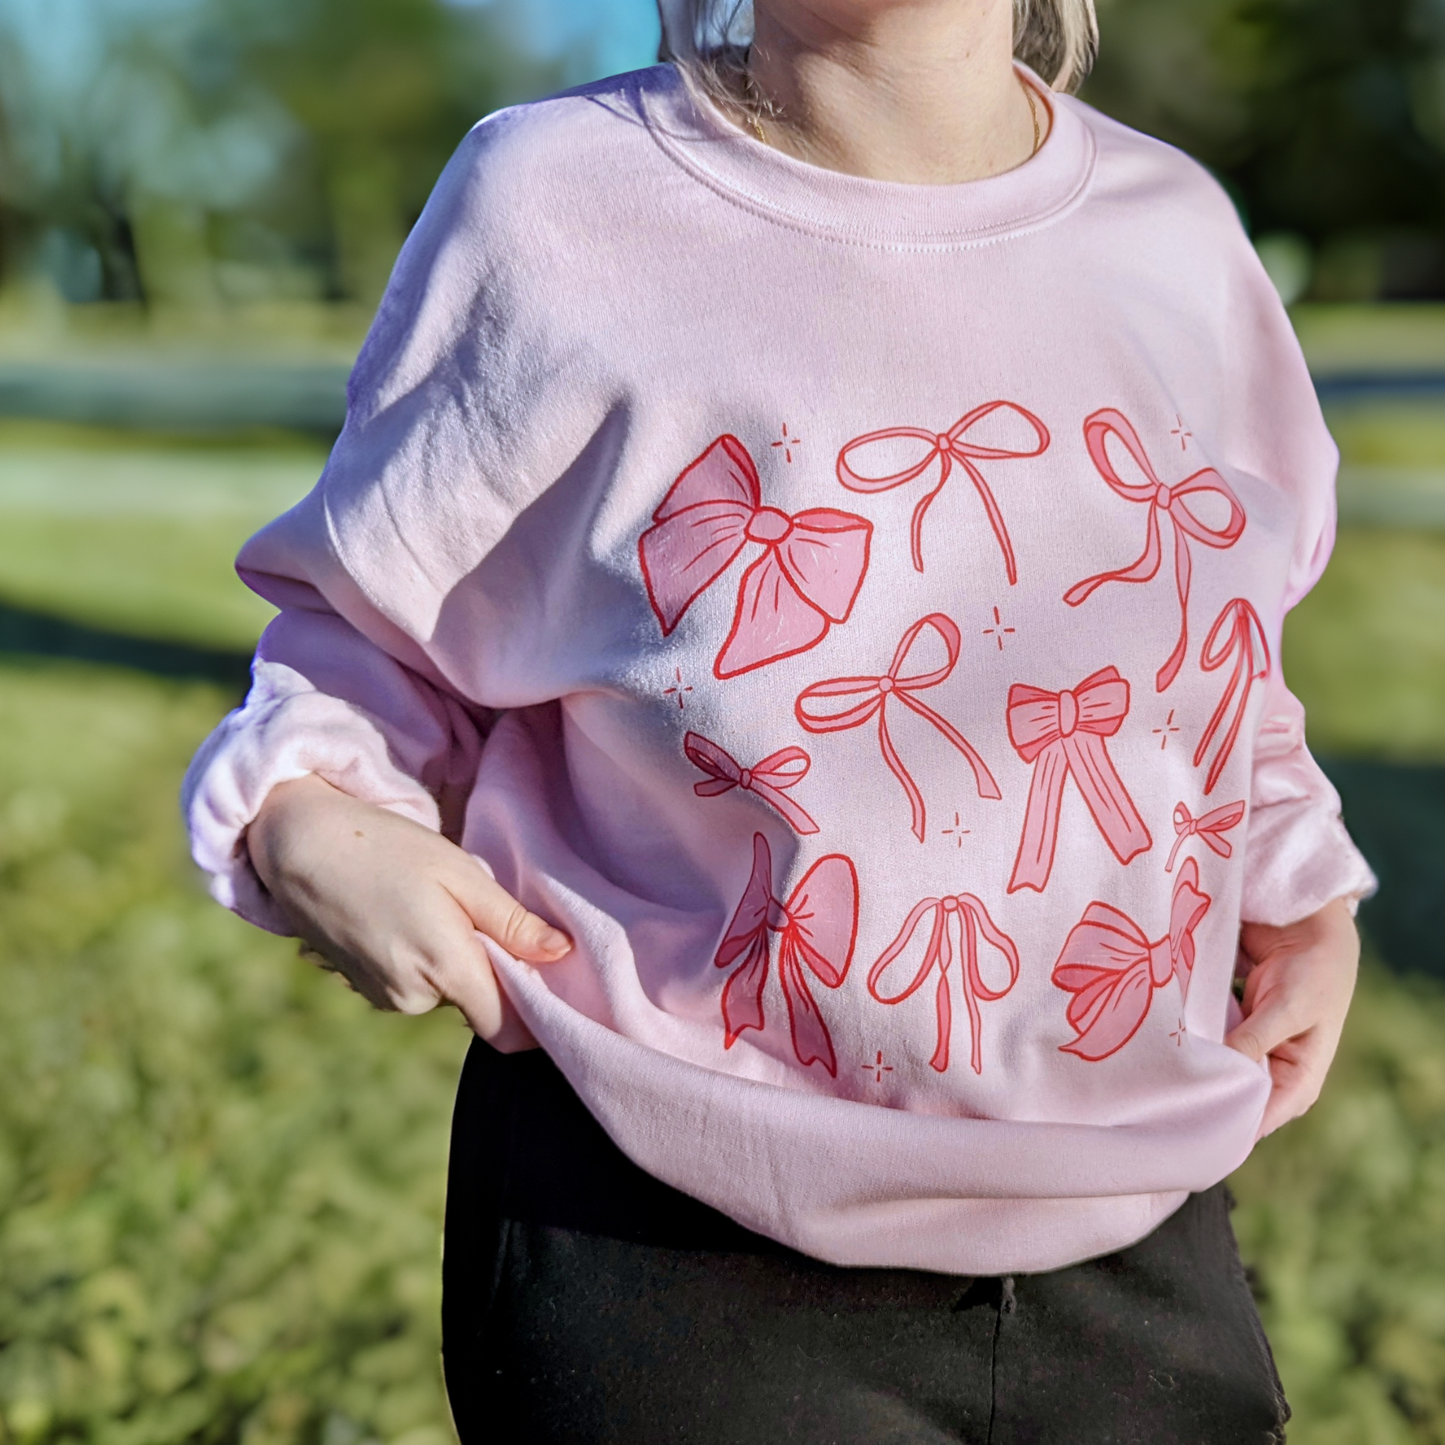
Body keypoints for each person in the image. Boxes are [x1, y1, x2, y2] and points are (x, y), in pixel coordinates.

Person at [183, 0, 1376, 1438]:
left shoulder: (1175, 237)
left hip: (1135, 1231)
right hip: (670, 1241)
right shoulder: (557, 198)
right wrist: (309, 811)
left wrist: (1303, 888)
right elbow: (370, 622)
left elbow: (1225, 653)